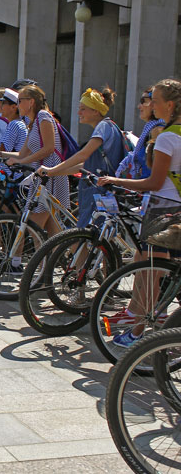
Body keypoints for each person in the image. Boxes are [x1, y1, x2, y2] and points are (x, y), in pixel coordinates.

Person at [98, 78, 181, 347]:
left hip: (161, 208)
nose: (150, 104)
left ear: (169, 104)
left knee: (149, 274)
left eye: (154, 100)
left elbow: (154, 182)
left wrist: (117, 181)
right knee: (162, 273)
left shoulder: (168, 137)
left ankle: (140, 334)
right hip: (176, 209)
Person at [36, 87, 126, 228]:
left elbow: (82, 155)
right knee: (94, 236)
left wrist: (52, 169)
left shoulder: (103, 127)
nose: (79, 112)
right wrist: (52, 172)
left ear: (95, 111)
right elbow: (83, 167)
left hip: (98, 192)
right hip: (103, 192)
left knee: (83, 237)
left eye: (83, 109)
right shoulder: (111, 127)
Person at [0, 84, 70, 238]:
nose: (17, 105)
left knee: (33, 227)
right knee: (51, 231)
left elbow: (49, 148)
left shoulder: (44, 116)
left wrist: (23, 161)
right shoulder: (32, 123)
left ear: (31, 102)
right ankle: (54, 260)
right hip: (41, 175)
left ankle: (45, 261)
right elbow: (22, 153)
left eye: (20, 101)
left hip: (50, 174)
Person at [117, 87, 164, 179]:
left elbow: (157, 175)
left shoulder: (158, 130)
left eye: (144, 101)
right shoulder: (151, 129)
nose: (139, 106)